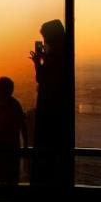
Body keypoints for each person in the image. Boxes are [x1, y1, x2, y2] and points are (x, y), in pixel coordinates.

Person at [29, 19, 73, 188]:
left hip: (49, 105)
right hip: (58, 106)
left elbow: (42, 79)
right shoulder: (63, 53)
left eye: (45, 36)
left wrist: (37, 63)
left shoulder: (54, 56)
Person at [0, 77, 29, 187]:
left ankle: (6, 199)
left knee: (5, 174)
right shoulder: (14, 105)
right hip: (11, 144)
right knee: (11, 173)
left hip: (6, 145)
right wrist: (25, 145)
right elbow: (23, 126)